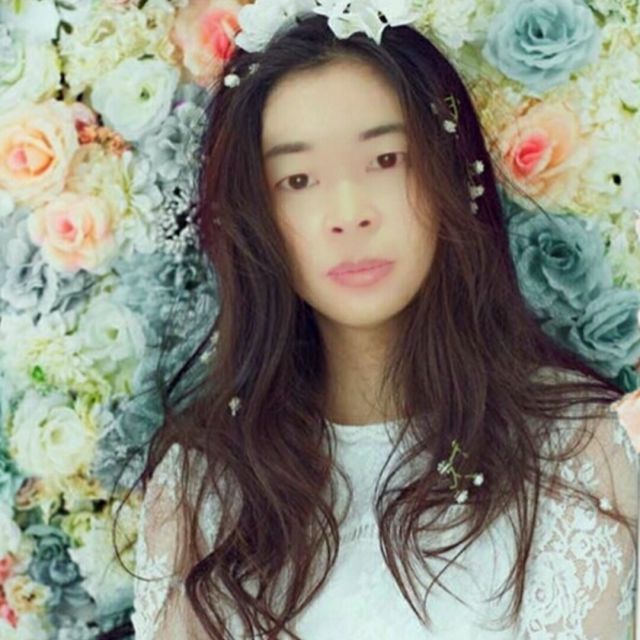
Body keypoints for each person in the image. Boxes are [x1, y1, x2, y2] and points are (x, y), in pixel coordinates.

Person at [128, 2, 638, 639]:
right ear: (255, 218)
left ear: (452, 172)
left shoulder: (581, 451)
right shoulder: (204, 486)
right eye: (298, 179)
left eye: (386, 159)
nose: (349, 213)